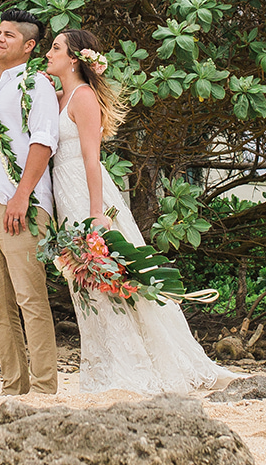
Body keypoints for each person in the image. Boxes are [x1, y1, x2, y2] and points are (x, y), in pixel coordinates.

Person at [44, 28, 231, 393]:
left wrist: (97, 213)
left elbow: (91, 159)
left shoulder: (82, 97)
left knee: (108, 277)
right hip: (65, 194)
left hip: (85, 193)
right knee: (85, 281)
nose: (48, 53)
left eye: (55, 48)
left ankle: (134, 367)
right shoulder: (59, 95)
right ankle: (107, 364)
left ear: (74, 58)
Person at [0, 10, 60, 395]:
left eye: (9, 36)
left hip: (24, 205)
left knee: (30, 297)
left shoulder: (38, 86)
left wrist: (22, 196)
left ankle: (43, 387)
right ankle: (12, 386)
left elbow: (43, 141)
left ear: (29, 46)